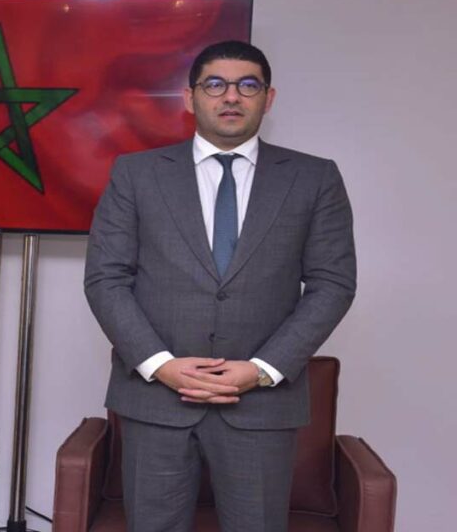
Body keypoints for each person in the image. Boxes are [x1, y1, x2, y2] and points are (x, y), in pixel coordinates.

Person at [84, 41, 356, 532]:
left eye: (247, 85)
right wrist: (160, 365)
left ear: (268, 98)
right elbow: (106, 277)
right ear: (190, 98)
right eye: (215, 84)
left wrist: (262, 369)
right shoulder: (136, 174)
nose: (231, 96)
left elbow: (332, 283)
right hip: (155, 400)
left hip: (262, 404)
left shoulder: (314, 178)